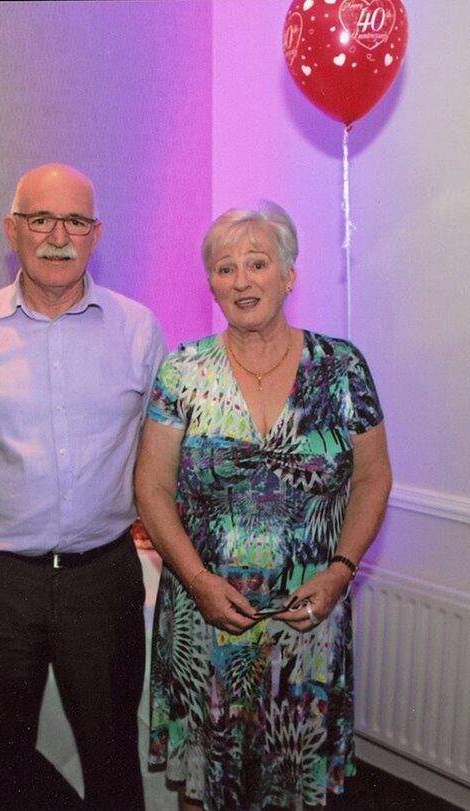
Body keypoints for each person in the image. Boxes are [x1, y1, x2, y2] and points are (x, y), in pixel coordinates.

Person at [134, 204, 392, 810]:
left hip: (308, 622)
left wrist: (340, 571)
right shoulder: (182, 371)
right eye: (226, 268)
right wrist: (197, 581)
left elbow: (374, 479)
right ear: (212, 284)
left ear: (289, 275)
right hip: (207, 620)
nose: (242, 280)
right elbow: (151, 488)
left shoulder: (342, 369)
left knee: (292, 782)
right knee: (205, 781)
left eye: (258, 263)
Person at [0, 163, 166, 809]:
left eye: (75, 221)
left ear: (96, 234)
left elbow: (158, 452)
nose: (57, 235)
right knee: (0, 761)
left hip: (103, 576)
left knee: (113, 751)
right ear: (14, 230)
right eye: (40, 219)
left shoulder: (140, 330)